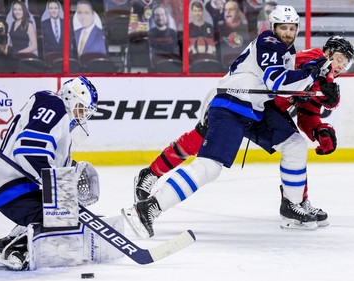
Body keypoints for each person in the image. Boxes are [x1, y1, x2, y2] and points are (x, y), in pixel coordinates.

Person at [123, 5, 332, 238]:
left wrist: (315, 85)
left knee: (295, 144)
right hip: (232, 104)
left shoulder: (287, 51)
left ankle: (292, 207)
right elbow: (277, 82)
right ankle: (149, 207)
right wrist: (311, 74)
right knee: (208, 166)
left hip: (255, 110)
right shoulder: (269, 42)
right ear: (273, 27)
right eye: (283, 27)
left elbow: (282, 89)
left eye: (292, 28)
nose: (287, 32)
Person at [0, 77, 117, 270]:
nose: (83, 115)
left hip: (17, 184)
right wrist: (61, 188)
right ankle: (18, 248)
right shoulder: (55, 104)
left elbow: (44, 156)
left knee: (67, 219)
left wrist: (72, 173)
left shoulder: (56, 112)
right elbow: (28, 150)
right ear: (71, 96)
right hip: (15, 186)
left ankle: (11, 240)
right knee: (64, 223)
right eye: (82, 107)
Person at [216, 0, 251, 68]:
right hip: (224, 69)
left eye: (231, 9)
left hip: (243, 68)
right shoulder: (219, 28)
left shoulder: (246, 27)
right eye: (226, 10)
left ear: (238, 12)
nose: (228, 12)